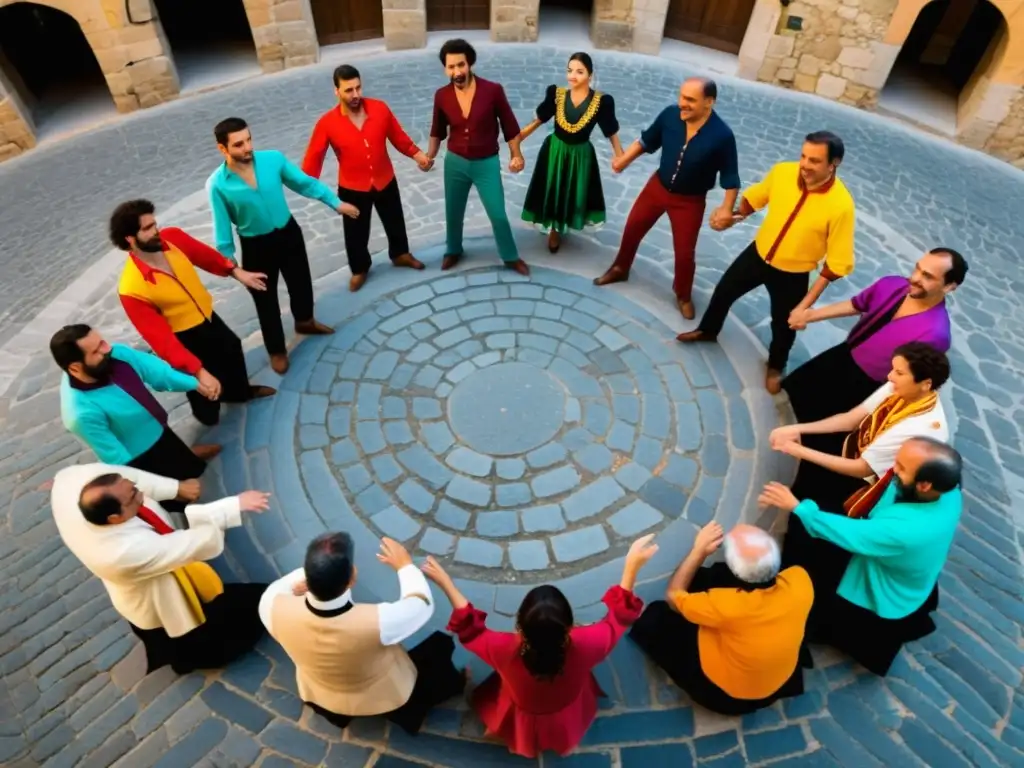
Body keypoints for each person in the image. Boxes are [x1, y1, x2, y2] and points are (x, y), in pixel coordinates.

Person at [421, 535, 658, 758]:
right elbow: (617, 619)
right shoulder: (590, 643)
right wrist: (631, 567)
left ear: (520, 625)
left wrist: (446, 583)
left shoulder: (501, 648)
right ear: (568, 626)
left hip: (524, 709)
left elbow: (469, 627)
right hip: (566, 706)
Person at [760, 436, 963, 676]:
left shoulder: (905, 530)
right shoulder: (949, 491)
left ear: (924, 485)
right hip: (904, 562)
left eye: (901, 467)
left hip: (882, 578)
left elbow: (850, 533)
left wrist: (797, 506)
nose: (893, 468)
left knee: (815, 568)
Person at [677, 131, 855, 394]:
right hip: (758, 255)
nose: (805, 165)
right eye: (803, 156)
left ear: (833, 164)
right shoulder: (783, 172)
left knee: (783, 326)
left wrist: (805, 306)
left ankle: (775, 365)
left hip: (794, 274)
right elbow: (756, 197)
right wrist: (733, 217)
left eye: (815, 161)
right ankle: (708, 330)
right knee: (724, 291)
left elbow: (836, 265)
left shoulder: (841, 207)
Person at [52, 463, 271, 674]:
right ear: (115, 518)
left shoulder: (76, 482)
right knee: (194, 634)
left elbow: (134, 479)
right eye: (133, 496)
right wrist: (234, 505)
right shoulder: (121, 553)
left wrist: (176, 489)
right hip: (151, 593)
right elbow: (192, 543)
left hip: (163, 572)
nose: (141, 494)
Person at [773, 342, 950, 596]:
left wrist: (798, 450)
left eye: (899, 373)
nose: (889, 377)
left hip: (870, 485)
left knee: (816, 534)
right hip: (857, 452)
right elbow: (851, 418)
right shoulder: (899, 388)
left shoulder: (920, 428)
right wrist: (798, 430)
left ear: (926, 383)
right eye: (893, 369)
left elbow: (861, 469)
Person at [259, 533, 465, 734]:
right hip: (379, 691)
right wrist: (405, 566)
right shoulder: (379, 621)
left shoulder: (271, 605)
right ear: (351, 579)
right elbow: (421, 605)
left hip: (320, 688)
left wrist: (316, 574)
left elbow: (285, 585)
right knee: (440, 646)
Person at [110, 199, 276, 427]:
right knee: (200, 383)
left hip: (207, 316)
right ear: (130, 238)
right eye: (148, 228)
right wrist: (198, 371)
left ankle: (239, 393)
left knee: (232, 349)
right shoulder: (131, 288)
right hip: (183, 336)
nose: (156, 230)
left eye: (154, 224)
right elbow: (161, 340)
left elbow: (206, 256)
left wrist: (236, 272)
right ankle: (208, 418)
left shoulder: (173, 238)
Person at [208, 117, 350, 375]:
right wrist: (233, 268)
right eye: (238, 144)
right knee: (265, 301)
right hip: (255, 245)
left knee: (301, 282)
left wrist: (335, 202)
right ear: (223, 149)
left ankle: (305, 321)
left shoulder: (273, 159)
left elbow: (304, 183)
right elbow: (222, 233)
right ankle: (276, 350)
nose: (247, 147)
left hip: (288, 233)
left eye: (249, 139)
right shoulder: (218, 184)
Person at [592, 78, 740, 320]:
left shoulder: (722, 136)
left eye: (690, 100)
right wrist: (624, 160)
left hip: (690, 201)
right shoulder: (670, 116)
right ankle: (620, 268)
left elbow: (731, 175)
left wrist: (726, 208)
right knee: (632, 228)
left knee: (684, 253)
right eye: (681, 97)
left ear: (709, 102)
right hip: (657, 187)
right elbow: (647, 141)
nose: (682, 103)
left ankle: (683, 294)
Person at [630, 523, 812, 715]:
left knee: (657, 617)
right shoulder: (800, 580)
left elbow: (674, 595)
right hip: (777, 679)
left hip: (729, 694)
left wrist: (699, 551)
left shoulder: (725, 605)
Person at [782, 248, 967, 422]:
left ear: (949, 286)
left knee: (819, 426)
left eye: (927, 276)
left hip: (868, 385)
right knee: (792, 390)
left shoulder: (935, 334)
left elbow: (911, 382)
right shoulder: (892, 284)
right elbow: (857, 305)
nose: (915, 277)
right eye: (917, 269)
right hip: (843, 354)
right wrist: (810, 315)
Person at [52, 324, 218, 514]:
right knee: (181, 503)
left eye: (102, 342)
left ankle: (189, 458)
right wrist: (174, 489)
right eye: (96, 350)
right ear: (75, 368)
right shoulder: (80, 414)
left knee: (188, 466)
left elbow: (158, 373)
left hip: (159, 429)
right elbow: (119, 460)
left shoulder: (117, 355)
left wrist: (195, 384)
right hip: (142, 458)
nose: (107, 349)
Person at [301, 65, 432, 292]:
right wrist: (303, 183)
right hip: (352, 187)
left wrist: (419, 155)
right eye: (348, 90)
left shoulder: (380, 109)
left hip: (385, 178)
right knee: (355, 234)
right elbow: (313, 159)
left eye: (358, 88)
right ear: (337, 91)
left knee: (395, 221)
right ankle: (360, 269)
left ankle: (400, 254)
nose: (355, 95)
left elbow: (398, 137)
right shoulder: (327, 123)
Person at [427, 39, 530, 276]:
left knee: (498, 214)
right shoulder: (441, 96)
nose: (457, 72)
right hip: (455, 162)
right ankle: (453, 250)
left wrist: (517, 155)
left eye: (460, 65)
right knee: (453, 212)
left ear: (470, 63)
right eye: (451, 67)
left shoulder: (492, 91)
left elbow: (510, 127)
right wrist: (429, 157)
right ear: (445, 69)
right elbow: (437, 131)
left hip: (486, 163)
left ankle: (510, 256)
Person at [517, 52, 622, 254]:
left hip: (581, 155)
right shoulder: (556, 94)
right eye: (569, 70)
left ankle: (567, 221)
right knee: (553, 188)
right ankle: (554, 230)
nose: (573, 75)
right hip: (555, 151)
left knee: (573, 190)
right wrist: (520, 137)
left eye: (579, 71)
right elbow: (540, 119)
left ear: (590, 75)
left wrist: (620, 155)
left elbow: (610, 130)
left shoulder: (601, 102)